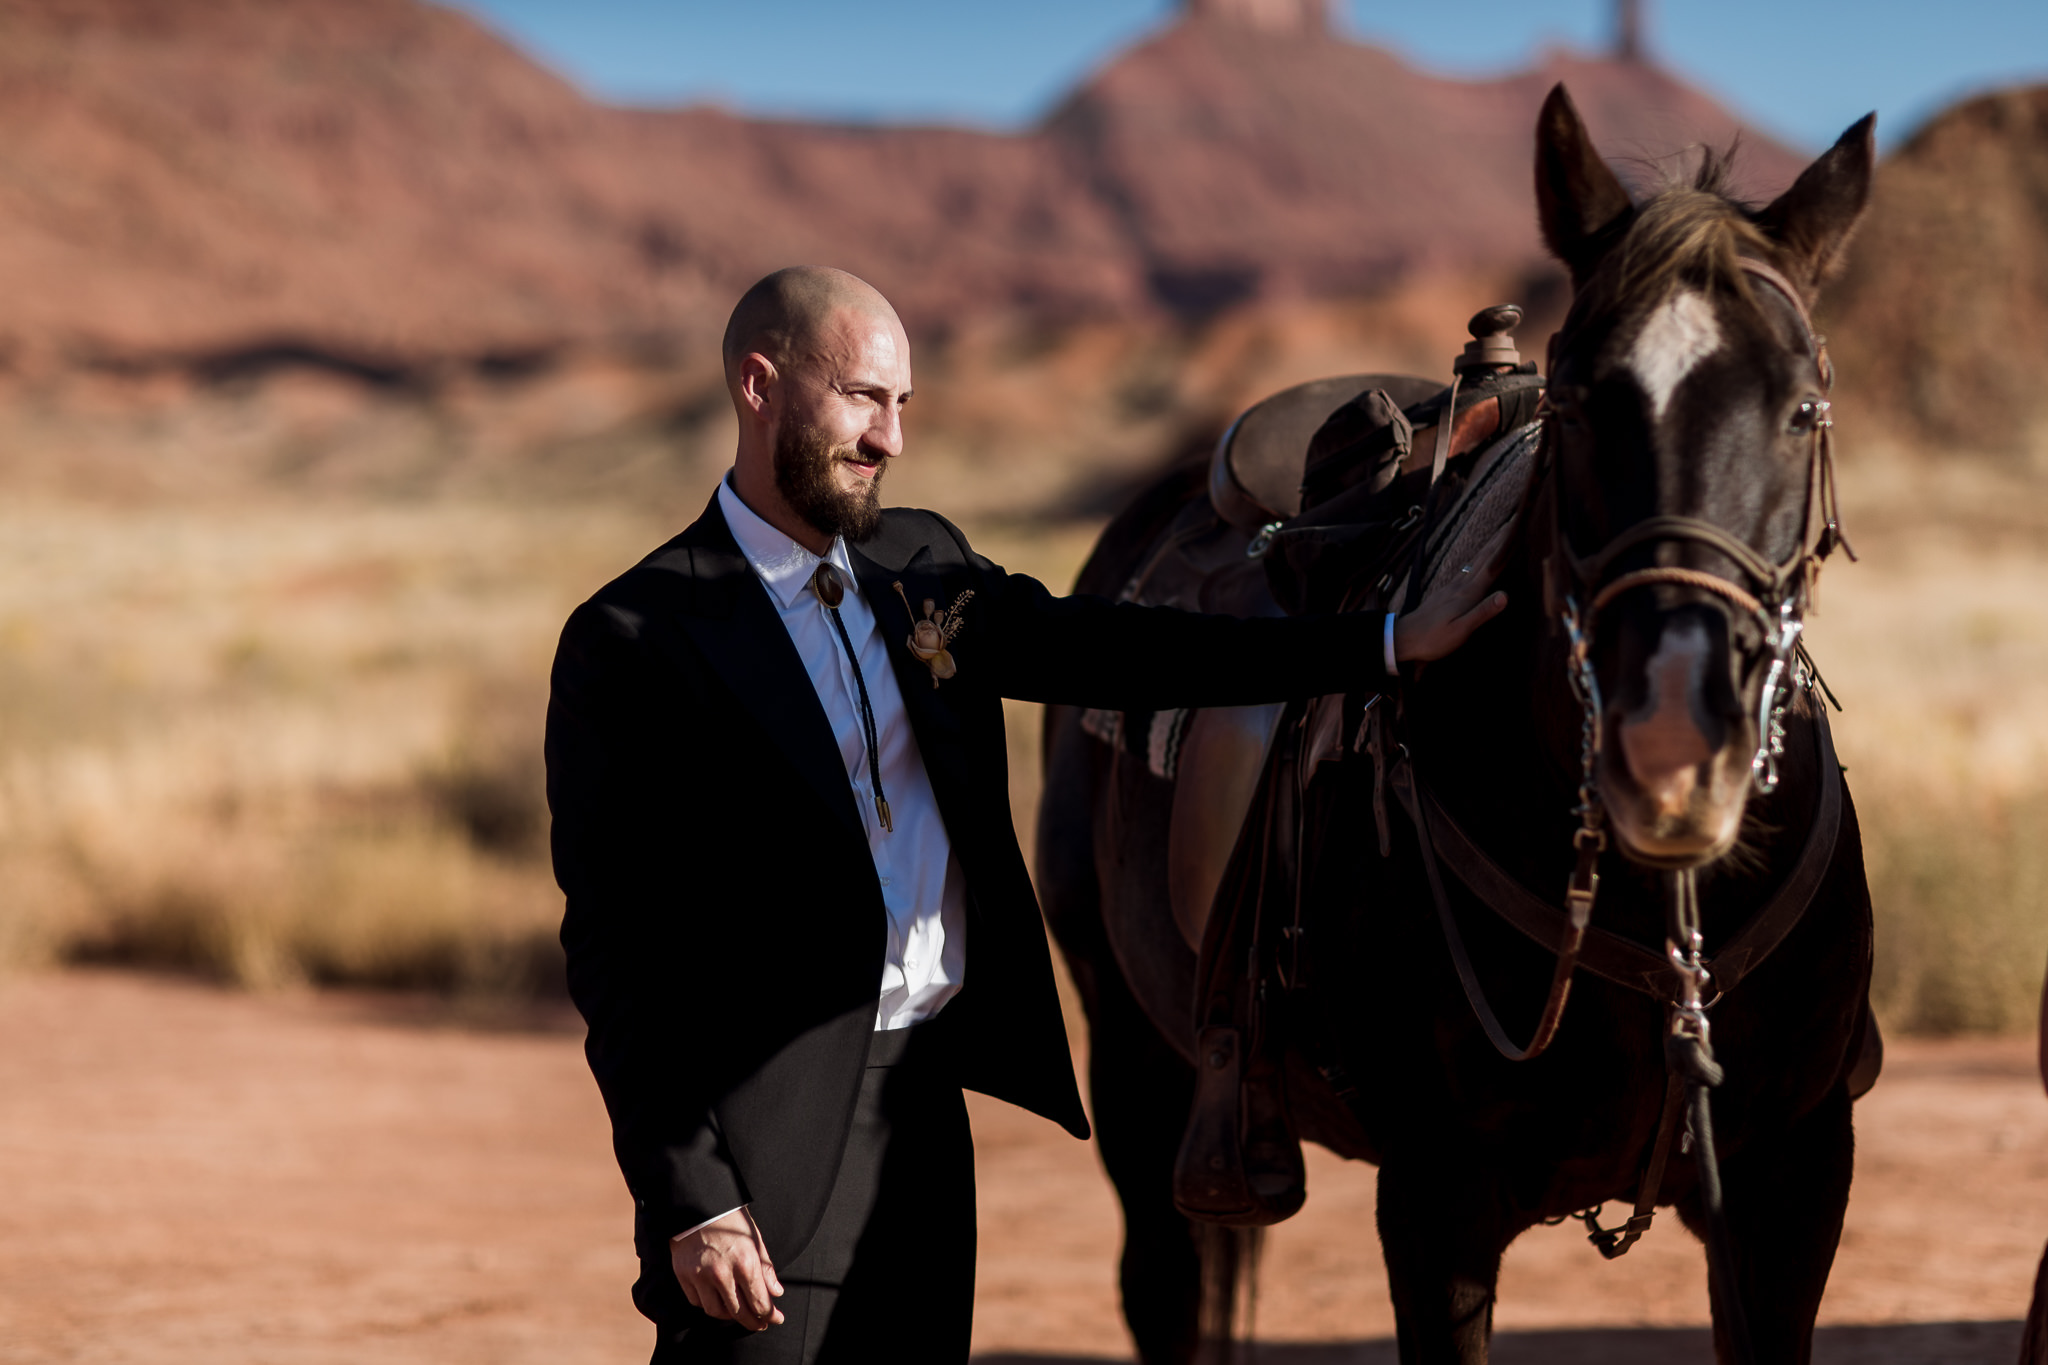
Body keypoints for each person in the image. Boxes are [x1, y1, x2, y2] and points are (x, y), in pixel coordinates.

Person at [545, 266, 1509, 1364]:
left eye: (902, 405)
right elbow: (617, 951)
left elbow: (1121, 648)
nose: (889, 438)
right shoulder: (632, 636)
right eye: (863, 397)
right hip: (756, 1155)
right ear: (759, 386)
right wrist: (690, 1196)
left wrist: (1380, 644)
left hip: (923, 1125)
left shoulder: (919, 565)